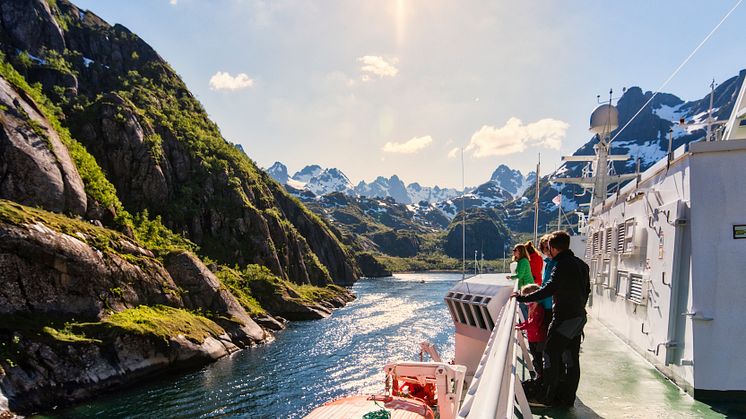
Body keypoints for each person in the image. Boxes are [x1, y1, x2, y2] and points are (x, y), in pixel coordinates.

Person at [513, 231, 590, 408]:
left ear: (553, 248)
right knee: (571, 360)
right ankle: (567, 398)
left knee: (550, 354)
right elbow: (587, 291)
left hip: (564, 318)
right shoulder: (581, 264)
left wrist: (523, 298)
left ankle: (546, 398)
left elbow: (550, 288)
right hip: (578, 317)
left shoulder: (561, 265)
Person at [515, 283, 547, 381]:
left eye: (526, 297)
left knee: (538, 359)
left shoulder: (538, 308)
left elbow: (533, 323)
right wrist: (521, 325)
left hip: (538, 339)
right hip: (532, 337)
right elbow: (529, 321)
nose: (525, 300)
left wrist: (521, 327)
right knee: (536, 358)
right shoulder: (532, 306)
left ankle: (541, 377)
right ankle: (540, 375)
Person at [506, 244, 533, 319]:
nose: (513, 252)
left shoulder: (523, 261)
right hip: (524, 287)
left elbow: (520, 275)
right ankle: (527, 323)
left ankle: (527, 323)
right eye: (513, 250)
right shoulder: (521, 261)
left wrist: (511, 277)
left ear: (520, 251)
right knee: (524, 306)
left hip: (527, 287)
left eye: (515, 250)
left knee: (524, 306)